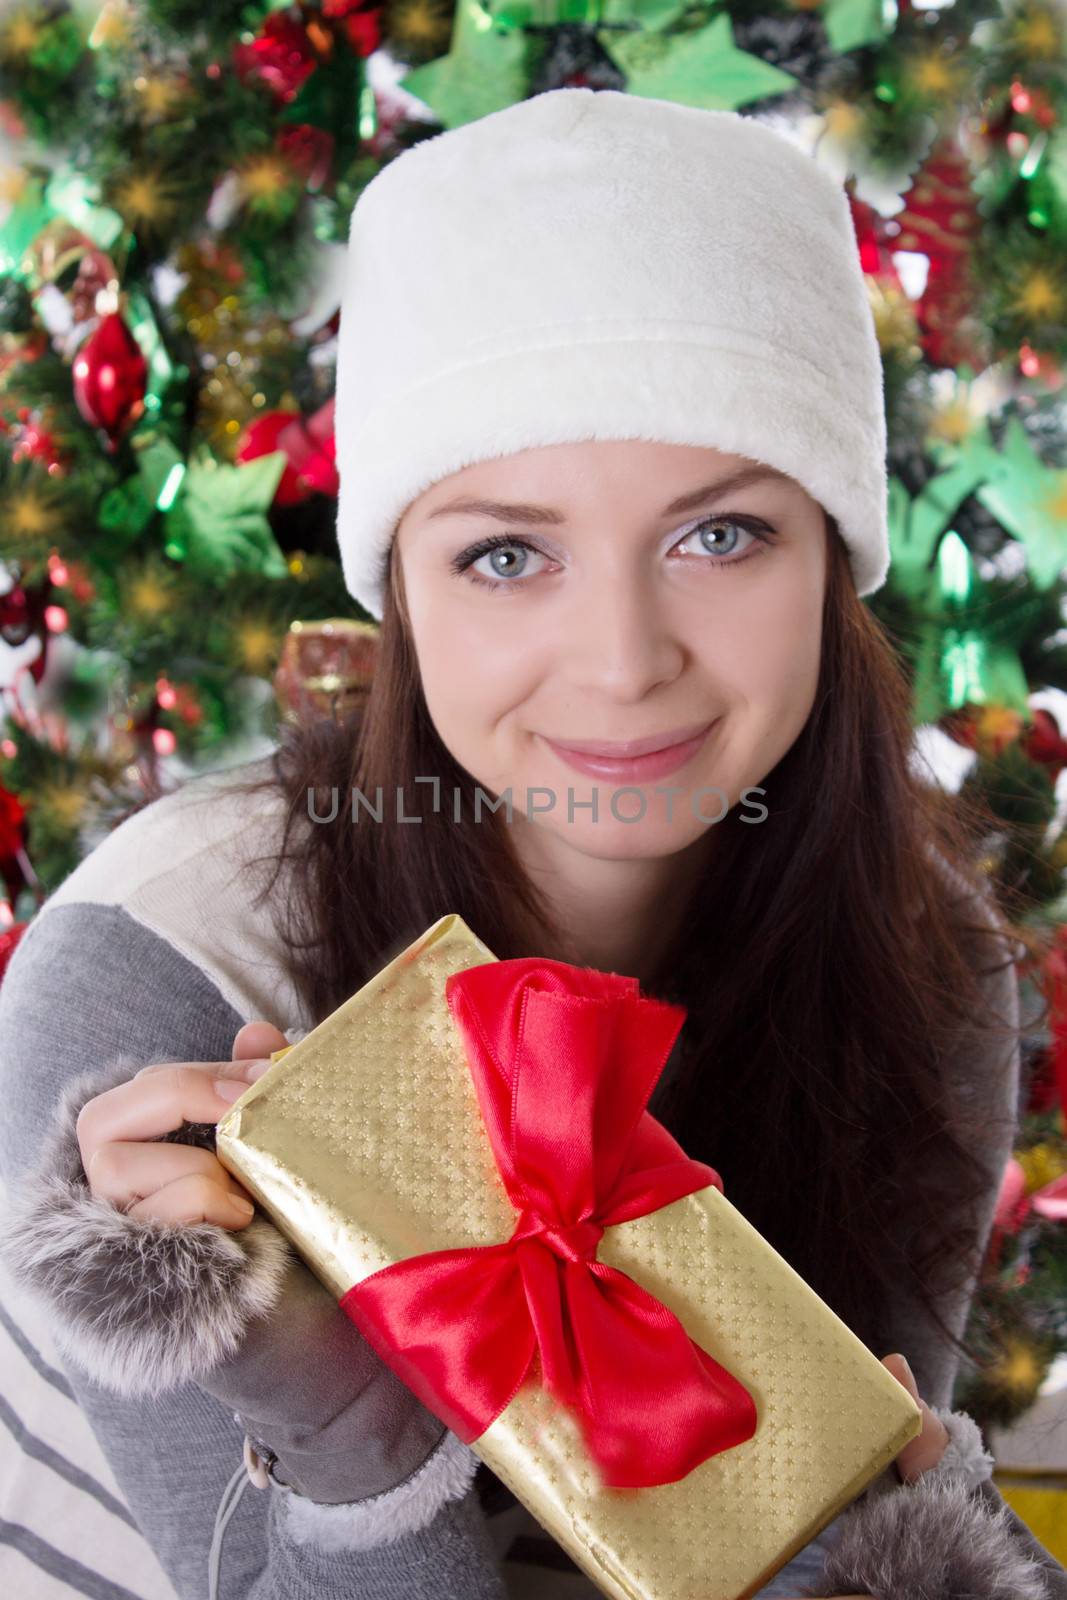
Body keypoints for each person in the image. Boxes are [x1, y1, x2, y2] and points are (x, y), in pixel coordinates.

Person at [1, 86, 1065, 1600]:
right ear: (402, 594)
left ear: (832, 554)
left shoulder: (925, 960)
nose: (623, 661)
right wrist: (341, 1423)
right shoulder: (150, 991)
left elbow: (845, 1530)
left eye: (722, 534)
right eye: (507, 554)